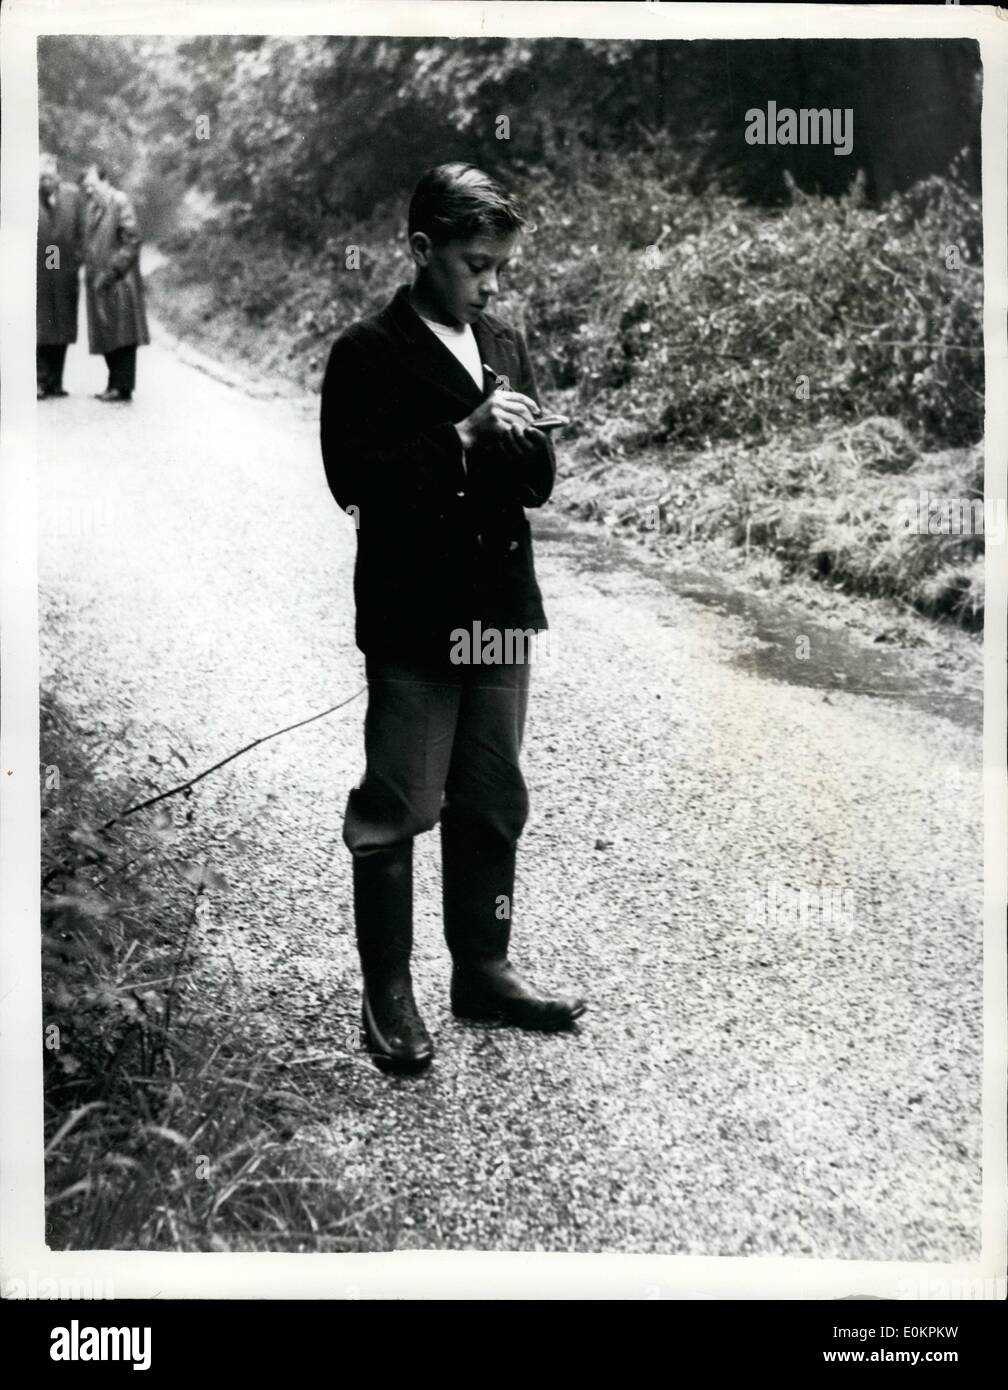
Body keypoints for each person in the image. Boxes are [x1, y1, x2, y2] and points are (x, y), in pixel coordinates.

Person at [320, 162, 585, 1076]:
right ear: (423, 250)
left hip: (500, 610)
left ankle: (483, 967)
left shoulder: (505, 339)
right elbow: (354, 480)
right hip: (413, 616)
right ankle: (387, 996)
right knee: (397, 805)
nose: (493, 283)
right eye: (477, 264)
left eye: (502, 266)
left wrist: (519, 443)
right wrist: (463, 439)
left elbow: (540, 486)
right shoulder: (367, 352)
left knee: (491, 797)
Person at [80, 163, 149, 402]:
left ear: (105, 180)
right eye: (86, 187)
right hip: (100, 281)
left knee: (123, 336)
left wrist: (114, 270)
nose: (88, 191)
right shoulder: (92, 207)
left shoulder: (119, 201)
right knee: (109, 333)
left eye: (92, 185)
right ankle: (114, 384)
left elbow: (133, 240)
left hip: (120, 280)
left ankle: (122, 387)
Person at [37, 153, 84, 400]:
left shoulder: (72, 195)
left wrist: (76, 260)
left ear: (58, 175)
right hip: (39, 274)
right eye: (42, 177)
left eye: (51, 176)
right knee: (41, 327)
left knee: (62, 327)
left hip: (64, 273)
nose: (47, 182)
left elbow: (82, 230)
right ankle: (39, 380)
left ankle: (55, 381)